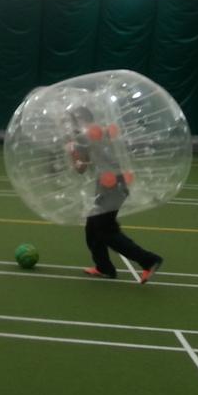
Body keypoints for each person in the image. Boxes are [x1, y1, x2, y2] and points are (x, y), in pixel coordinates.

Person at [67, 106, 163, 284]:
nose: (70, 125)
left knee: (105, 230)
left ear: (80, 121)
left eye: (72, 121)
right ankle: (103, 267)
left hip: (112, 185)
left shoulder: (83, 136)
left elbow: (80, 168)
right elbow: (88, 163)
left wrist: (72, 150)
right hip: (110, 183)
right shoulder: (99, 131)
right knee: (92, 226)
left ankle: (148, 260)